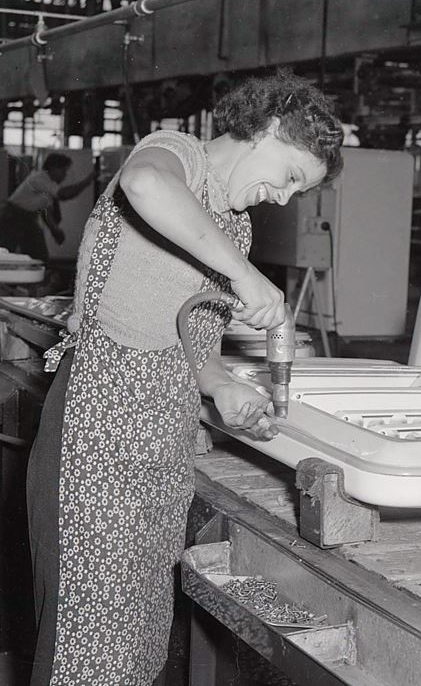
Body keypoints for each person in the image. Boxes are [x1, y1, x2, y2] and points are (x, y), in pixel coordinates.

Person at [26, 70, 342, 685]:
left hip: (157, 450)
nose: (284, 196)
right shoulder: (174, 155)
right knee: (84, 647)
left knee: (134, 643)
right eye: (291, 176)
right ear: (270, 127)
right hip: (99, 430)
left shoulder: (235, 226)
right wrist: (245, 277)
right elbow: (145, 184)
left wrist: (221, 387)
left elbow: (190, 345)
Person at [0, 152, 94, 259]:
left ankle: (39, 273)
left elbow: (45, 211)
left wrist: (55, 229)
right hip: (12, 217)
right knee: (5, 253)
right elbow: (64, 195)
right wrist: (87, 181)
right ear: (54, 168)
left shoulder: (49, 184)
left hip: (26, 218)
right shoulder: (40, 178)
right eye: (63, 170)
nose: (65, 174)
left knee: (39, 255)